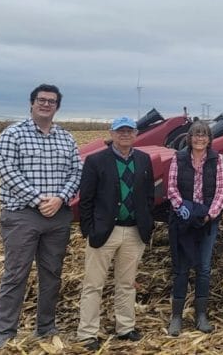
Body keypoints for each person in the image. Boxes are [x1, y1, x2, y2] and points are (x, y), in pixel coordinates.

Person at [0, 84, 82, 348]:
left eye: (51, 101)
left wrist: (60, 198)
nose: (46, 105)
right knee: (16, 274)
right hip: (22, 215)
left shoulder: (66, 138)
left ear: (57, 107)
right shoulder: (13, 134)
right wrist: (38, 200)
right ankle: (5, 333)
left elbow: (76, 172)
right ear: (31, 103)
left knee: (52, 274)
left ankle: (45, 327)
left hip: (57, 215)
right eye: (41, 100)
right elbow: (7, 171)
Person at [76, 116, 155, 350]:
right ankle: (87, 333)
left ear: (136, 134)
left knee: (127, 283)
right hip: (104, 232)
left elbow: (149, 196)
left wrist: (147, 222)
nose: (125, 135)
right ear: (112, 134)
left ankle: (126, 327)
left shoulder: (143, 160)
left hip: (133, 231)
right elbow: (86, 199)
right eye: (120, 131)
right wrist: (89, 229)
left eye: (129, 131)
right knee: (93, 284)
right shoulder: (96, 160)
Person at [166, 121, 223, 335]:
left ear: (209, 139)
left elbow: (222, 190)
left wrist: (211, 214)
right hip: (184, 221)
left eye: (204, 135)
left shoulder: (216, 159)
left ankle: (201, 316)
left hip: (206, 222)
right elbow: (172, 188)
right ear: (189, 138)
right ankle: (176, 317)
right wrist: (182, 208)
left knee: (203, 268)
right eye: (196, 135)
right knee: (181, 269)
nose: (200, 139)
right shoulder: (179, 158)